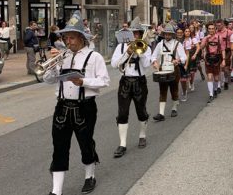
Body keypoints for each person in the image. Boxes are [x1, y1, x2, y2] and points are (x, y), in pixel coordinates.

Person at [43, 11, 110, 195]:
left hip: (85, 107)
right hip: (62, 106)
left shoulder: (94, 57)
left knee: (85, 143)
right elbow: (48, 81)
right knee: (59, 147)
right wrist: (52, 64)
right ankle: (56, 191)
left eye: (72, 37)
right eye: (66, 38)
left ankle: (90, 176)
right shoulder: (62, 56)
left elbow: (104, 81)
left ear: (81, 38)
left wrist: (84, 82)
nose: (68, 41)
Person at [110, 17, 152, 158]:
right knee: (122, 113)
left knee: (141, 111)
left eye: (136, 33)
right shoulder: (120, 47)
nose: (134, 36)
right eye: (132, 33)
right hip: (125, 82)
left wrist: (139, 53)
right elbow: (115, 64)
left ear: (140, 34)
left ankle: (142, 135)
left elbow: (147, 65)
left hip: (140, 82)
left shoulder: (145, 47)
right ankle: (122, 144)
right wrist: (127, 53)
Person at [151, 23, 187, 121]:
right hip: (163, 69)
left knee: (174, 89)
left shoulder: (177, 44)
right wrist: (154, 62)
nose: (167, 36)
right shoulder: (160, 44)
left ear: (172, 34)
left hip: (174, 70)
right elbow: (153, 56)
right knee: (162, 91)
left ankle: (174, 108)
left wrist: (178, 60)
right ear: (164, 34)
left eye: (169, 34)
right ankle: (161, 113)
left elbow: (184, 57)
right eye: (166, 34)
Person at [195, 22, 226, 103]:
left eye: (212, 29)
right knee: (209, 77)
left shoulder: (219, 38)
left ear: (215, 29)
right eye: (209, 29)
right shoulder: (206, 38)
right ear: (207, 30)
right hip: (208, 59)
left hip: (217, 59)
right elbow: (201, 47)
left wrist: (224, 60)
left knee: (216, 78)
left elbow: (223, 49)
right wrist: (205, 39)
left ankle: (215, 89)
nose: (211, 30)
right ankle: (211, 94)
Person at [216, 19, 233, 90]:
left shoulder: (229, 32)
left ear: (223, 24)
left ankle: (226, 80)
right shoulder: (216, 32)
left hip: (227, 51)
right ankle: (218, 85)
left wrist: (232, 54)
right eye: (217, 25)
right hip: (218, 52)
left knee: (225, 69)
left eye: (219, 25)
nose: (218, 27)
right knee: (218, 68)